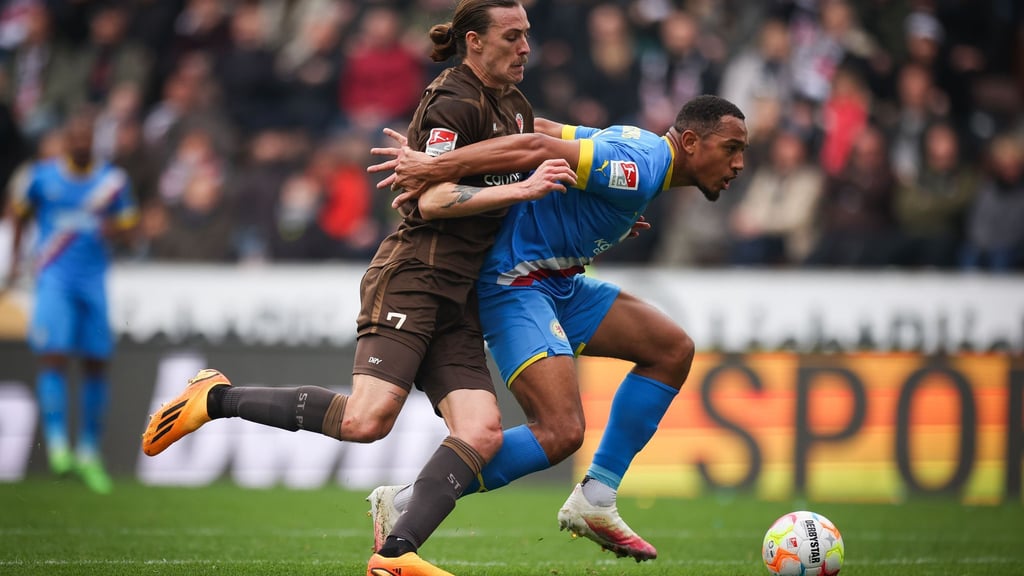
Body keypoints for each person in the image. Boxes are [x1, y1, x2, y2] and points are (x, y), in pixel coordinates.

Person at [139, 2, 573, 575]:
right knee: (366, 422)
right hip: (414, 278)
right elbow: (432, 199)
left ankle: (396, 555)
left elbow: (534, 175)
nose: (525, 48)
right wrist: (523, 191)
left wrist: (583, 216)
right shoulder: (452, 101)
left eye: (527, 36)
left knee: (482, 432)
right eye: (512, 37)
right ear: (474, 41)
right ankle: (214, 397)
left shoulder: (516, 107)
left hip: (460, 294)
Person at [369, 94, 747, 561]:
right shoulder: (641, 168)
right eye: (731, 148)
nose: (739, 163)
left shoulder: (640, 150)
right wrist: (434, 164)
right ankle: (406, 502)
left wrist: (598, 214)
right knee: (561, 430)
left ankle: (597, 497)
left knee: (671, 349)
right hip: (515, 282)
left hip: (559, 281)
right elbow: (532, 147)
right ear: (691, 142)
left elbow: (543, 127)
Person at [3, 111, 139, 494]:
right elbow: (18, 214)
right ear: (65, 142)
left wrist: (117, 229)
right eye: (74, 137)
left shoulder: (112, 182)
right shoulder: (42, 177)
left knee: (97, 363)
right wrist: (15, 260)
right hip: (54, 279)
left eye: (87, 137)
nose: (80, 143)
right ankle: (59, 446)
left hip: (93, 280)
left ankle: (89, 452)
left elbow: (131, 231)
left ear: (94, 141)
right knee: (54, 354)